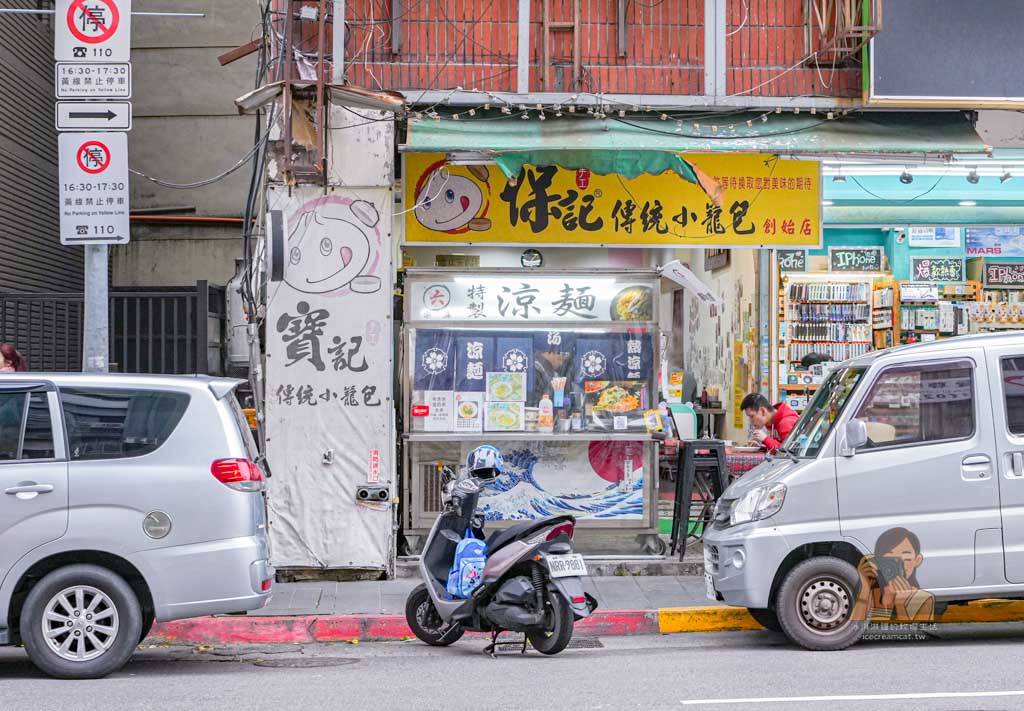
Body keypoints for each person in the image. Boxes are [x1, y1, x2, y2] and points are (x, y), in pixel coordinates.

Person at [853, 526, 935, 623]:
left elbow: (914, 631)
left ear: (917, 560)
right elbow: (855, 625)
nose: (898, 566)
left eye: (906, 558)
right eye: (890, 560)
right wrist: (864, 585)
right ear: (878, 561)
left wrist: (900, 605)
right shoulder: (871, 593)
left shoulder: (922, 598)